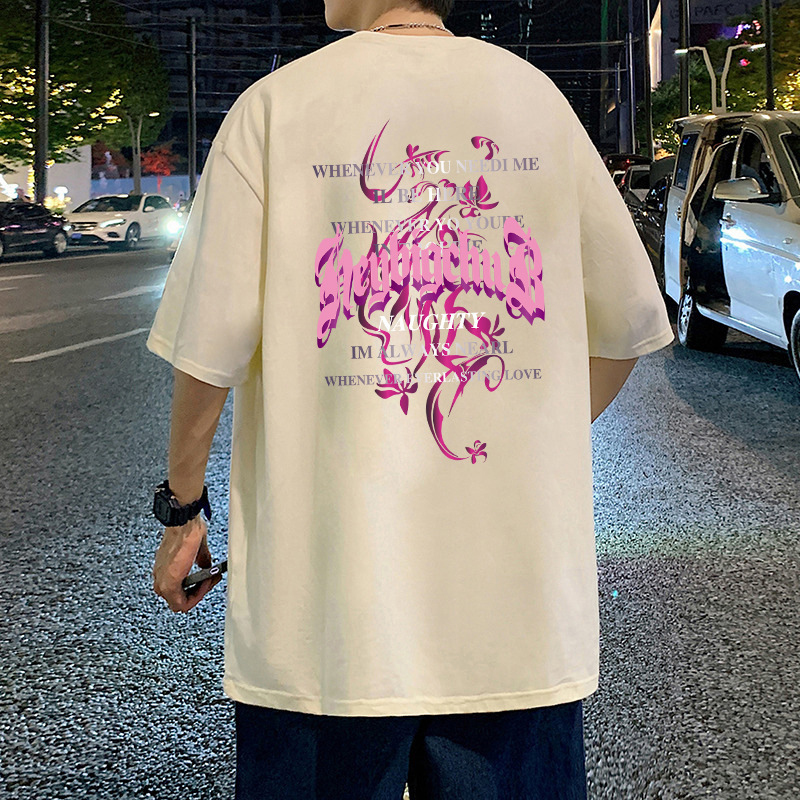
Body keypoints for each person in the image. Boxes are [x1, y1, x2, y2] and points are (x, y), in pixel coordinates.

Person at [148, 1, 675, 797]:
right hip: (514, 616)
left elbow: (205, 352)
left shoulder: (277, 108)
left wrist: (182, 511)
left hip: (325, 624)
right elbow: (627, 324)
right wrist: (520, 427)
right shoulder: (534, 100)